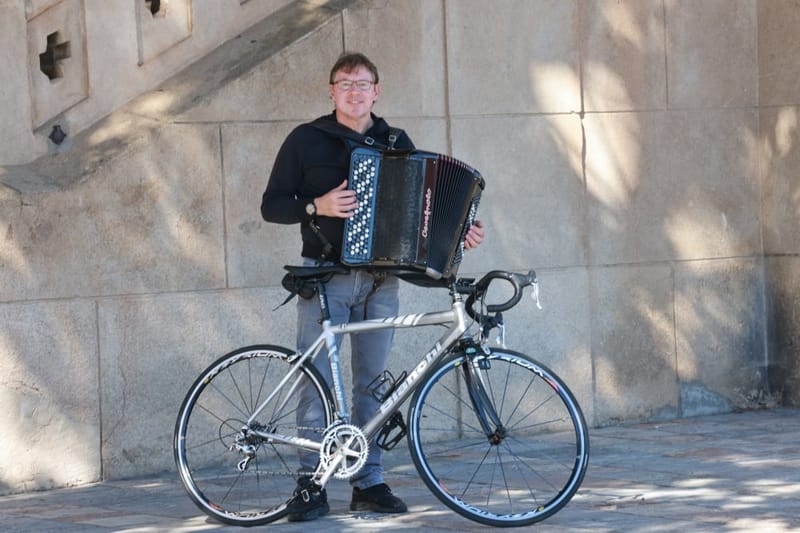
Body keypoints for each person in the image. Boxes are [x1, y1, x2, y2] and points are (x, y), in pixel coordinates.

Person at [261, 52, 484, 522]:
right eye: (346, 83)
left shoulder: (396, 141)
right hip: (326, 276)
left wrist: (457, 228)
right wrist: (315, 205)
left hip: (382, 281)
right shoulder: (306, 140)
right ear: (331, 90)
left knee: (373, 384)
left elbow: (421, 211)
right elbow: (272, 205)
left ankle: (369, 481)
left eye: (363, 84)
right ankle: (311, 482)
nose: (355, 91)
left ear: (377, 91)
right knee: (316, 379)